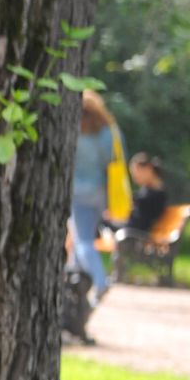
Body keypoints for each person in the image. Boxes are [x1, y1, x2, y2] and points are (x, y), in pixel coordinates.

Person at [70, 91, 121, 304]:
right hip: (99, 192)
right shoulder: (107, 131)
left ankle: (99, 282)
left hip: (77, 192)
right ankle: (77, 280)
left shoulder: (74, 130)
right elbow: (116, 161)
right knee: (84, 236)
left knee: (83, 241)